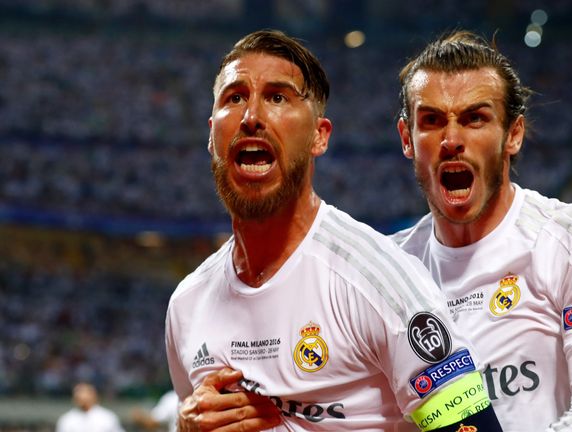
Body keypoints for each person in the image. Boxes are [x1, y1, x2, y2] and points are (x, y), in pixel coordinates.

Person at [165, 29, 503, 431]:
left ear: (318, 137)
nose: (251, 116)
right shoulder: (188, 305)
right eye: (234, 97)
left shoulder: (377, 279)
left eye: (277, 97)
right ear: (211, 135)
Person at [391, 31, 572, 431]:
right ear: (408, 139)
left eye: (475, 118)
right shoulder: (389, 272)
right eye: (432, 121)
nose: (452, 140)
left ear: (513, 134)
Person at [56, 382, 125, 432]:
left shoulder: (107, 417)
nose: (80, 396)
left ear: (94, 396)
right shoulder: (67, 419)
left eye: (84, 393)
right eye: (77, 394)